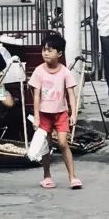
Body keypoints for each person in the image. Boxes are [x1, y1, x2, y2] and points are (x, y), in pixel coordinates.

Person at [30, 32, 81, 190]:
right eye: (44, 49)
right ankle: (47, 176)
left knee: (63, 143)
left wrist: (73, 113)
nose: (45, 53)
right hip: (44, 114)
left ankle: (72, 177)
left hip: (61, 113)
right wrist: (37, 117)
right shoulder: (39, 71)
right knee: (46, 145)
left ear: (59, 53)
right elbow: (36, 96)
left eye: (50, 50)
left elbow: (71, 94)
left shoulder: (65, 72)